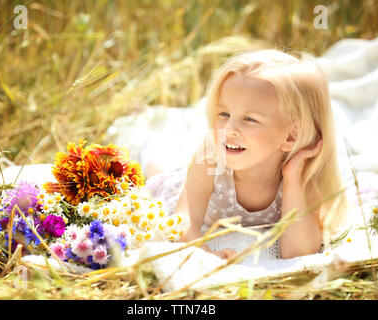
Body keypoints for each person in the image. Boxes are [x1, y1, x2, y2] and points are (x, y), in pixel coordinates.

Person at [147, 49, 348, 260]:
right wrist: (207, 256)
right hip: (181, 187)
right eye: (224, 114)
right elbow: (183, 221)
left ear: (291, 137)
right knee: (157, 169)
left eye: (249, 119)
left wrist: (292, 179)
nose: (229, 129)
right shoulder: (210, 157)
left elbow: (299, 253)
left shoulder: (304, 173)